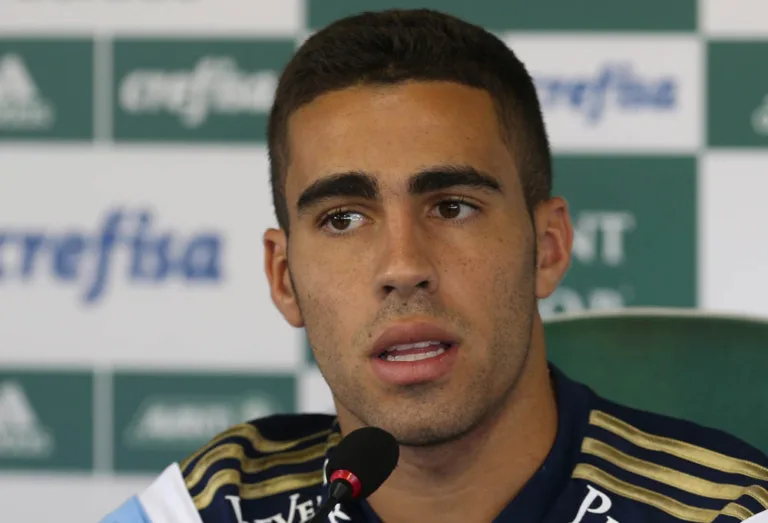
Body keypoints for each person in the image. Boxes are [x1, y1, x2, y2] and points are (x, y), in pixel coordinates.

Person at [102, 8, 768, 523]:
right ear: (284, 277)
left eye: (451, 206)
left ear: (550, 247)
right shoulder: (220, 502)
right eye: (343, 218)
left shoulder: (727, 511)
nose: (402, 264)